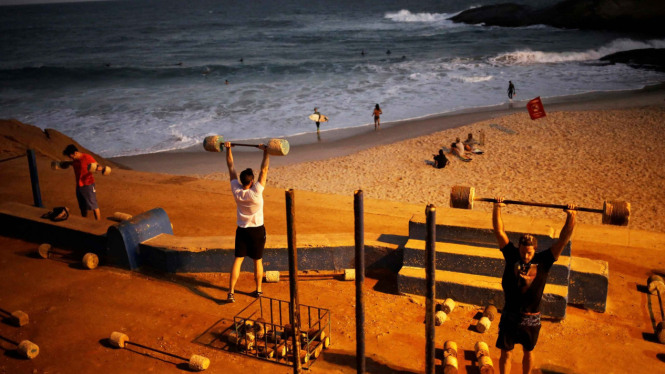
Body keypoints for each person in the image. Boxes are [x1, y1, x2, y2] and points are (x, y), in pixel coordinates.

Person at [492, 198, 576, 374]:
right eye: (522, 251)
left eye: (528, 252)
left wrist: (571, 216)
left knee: (528, 352)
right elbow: (499, 231)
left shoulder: (544, 260)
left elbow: (563, 239)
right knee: (506, 354)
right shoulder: (512, 254)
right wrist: (497, 207)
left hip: (531, 317)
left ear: (535, 249)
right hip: (510, 314)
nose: (525, 255)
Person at [225, 141, 270, 303]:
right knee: (257, 260)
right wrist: (265, 151)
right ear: (251, 182)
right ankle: (258, 290)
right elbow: (264, 170)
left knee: (238, 259)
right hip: (257, 230)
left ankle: (231, 292)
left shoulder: (236, 191)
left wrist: (228, 148)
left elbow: (231, 167)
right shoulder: (256, 193)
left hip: (242, 230)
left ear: (242, 181)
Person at [62, 144, 101, 220]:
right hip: (79, 186)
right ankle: (84, 221)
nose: (71, 158)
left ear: (75, 153)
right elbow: (73, 163)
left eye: (71, 156)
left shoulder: (87, 157)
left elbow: (97, 165)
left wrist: (99, 168)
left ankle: (98, 223)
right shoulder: (75, 159)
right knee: (82, 207)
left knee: (93, 206)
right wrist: (65, 163)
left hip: (88, 184)